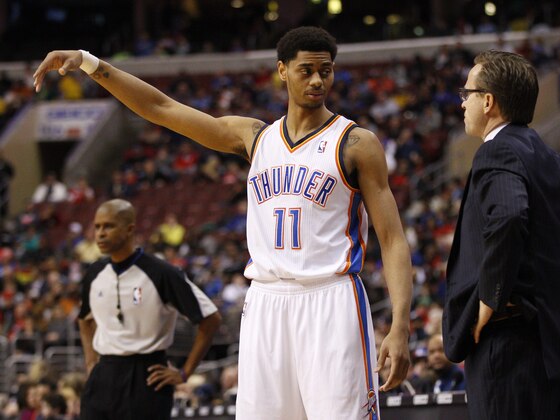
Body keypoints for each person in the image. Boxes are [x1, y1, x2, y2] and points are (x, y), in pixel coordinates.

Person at [33, 26, 413, 419]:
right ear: (282, 71)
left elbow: (393, 239)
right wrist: (92, 64)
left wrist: (400, 323)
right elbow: (162, 108)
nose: (318, 80)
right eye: (307, 70)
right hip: (266, 300)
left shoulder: (355, 143)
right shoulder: (254, 137)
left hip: (331, 298)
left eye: (326, 70)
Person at [442, 50, 560, 420]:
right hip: (557, 350)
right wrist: (553, 297)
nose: (462, 104)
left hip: (509, 348)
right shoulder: (548, 157)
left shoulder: (496, 151)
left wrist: (491, 298)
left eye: (465, 94)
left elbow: (509, 216)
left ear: (488, 101)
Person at [76, 199, 221, 419]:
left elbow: (210, 319)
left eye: (108, 226)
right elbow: (84, 319)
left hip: (147, 375)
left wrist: (184, 372)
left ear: (130, 229)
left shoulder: (162, 272)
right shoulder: (94, 273)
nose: (100, 233)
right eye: (97, 227)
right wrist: (90, 362)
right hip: (103, 373)